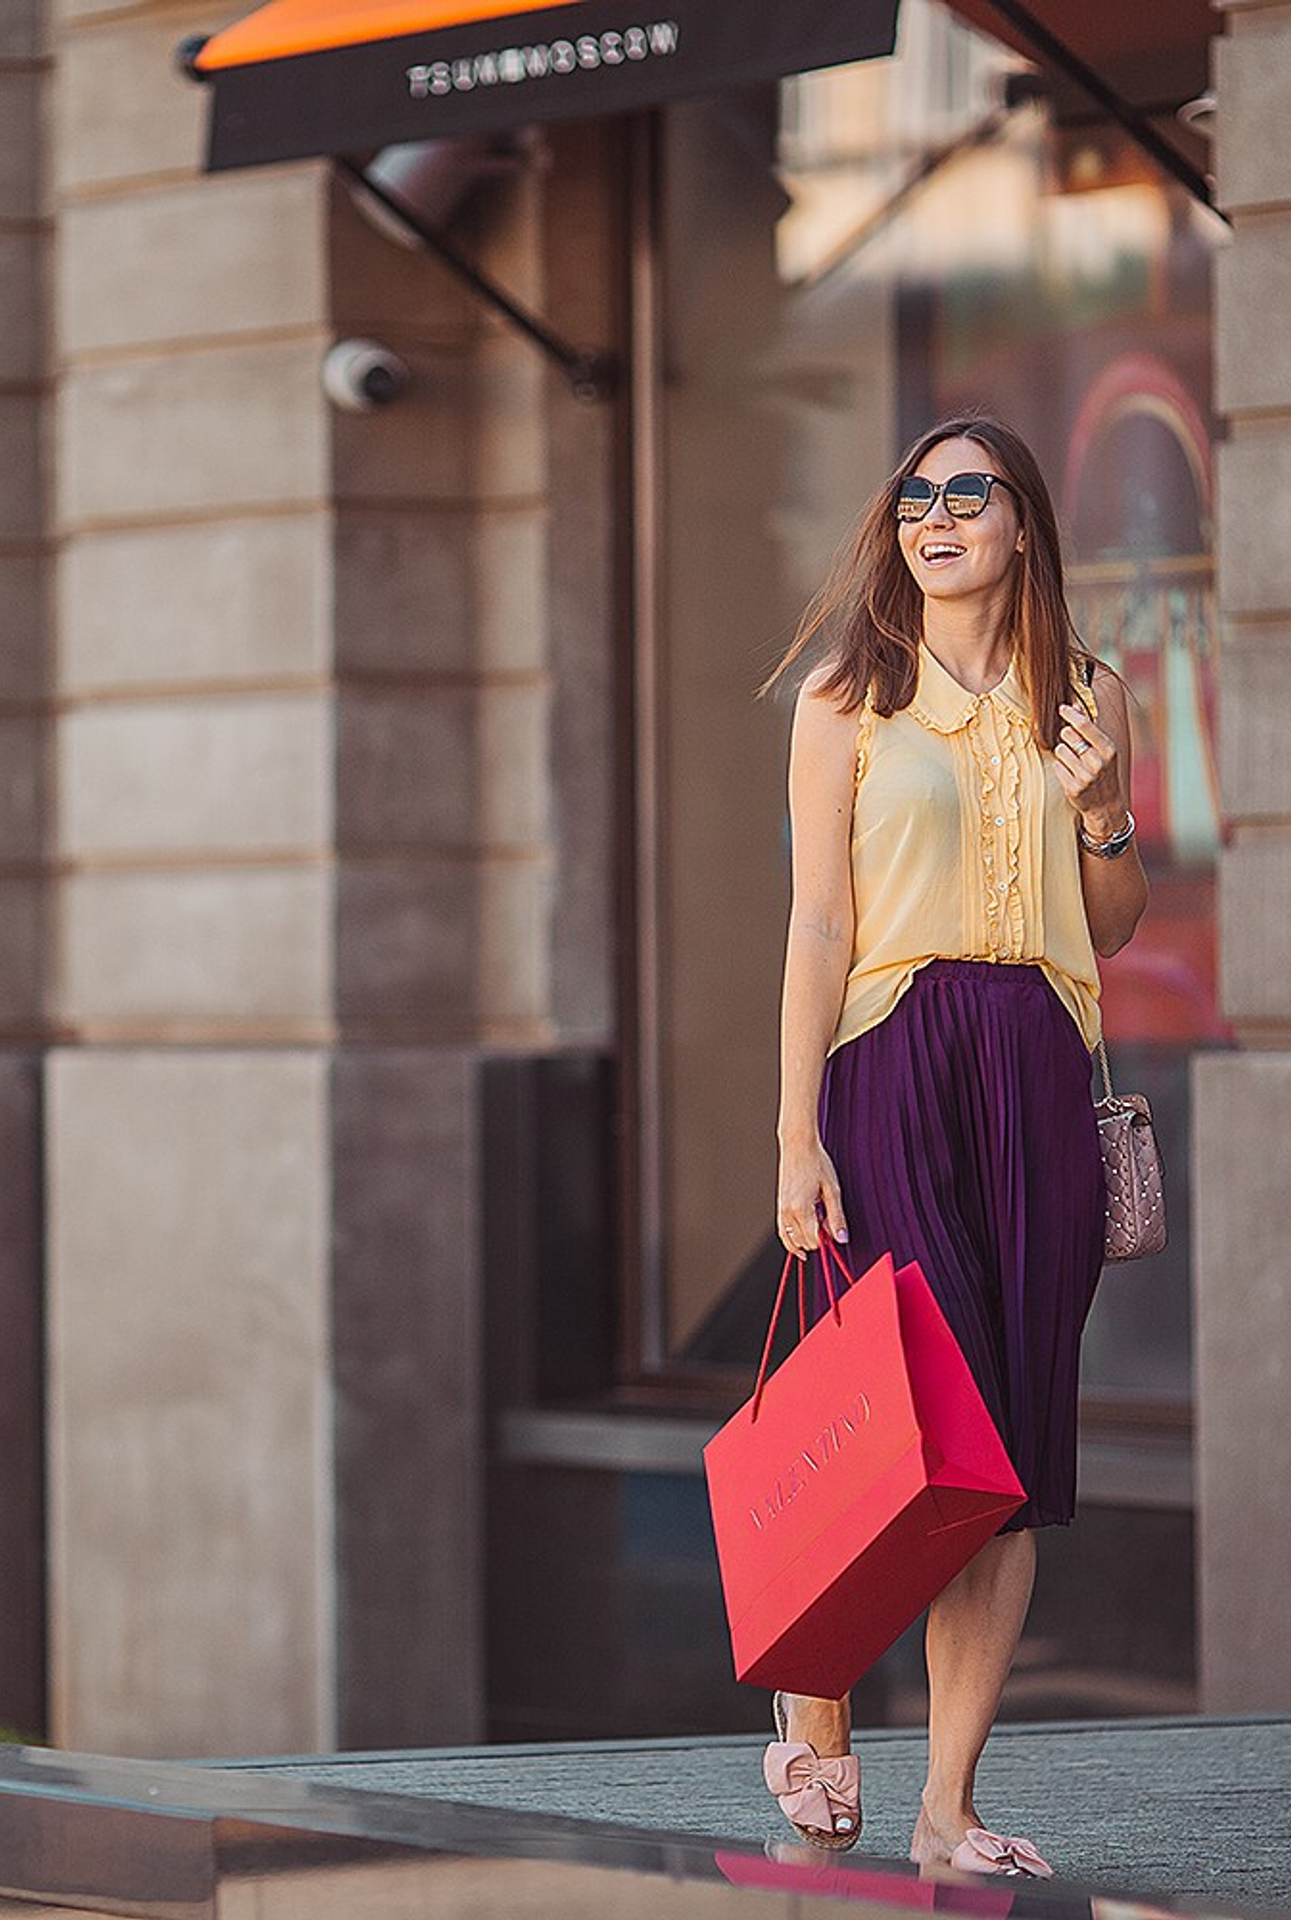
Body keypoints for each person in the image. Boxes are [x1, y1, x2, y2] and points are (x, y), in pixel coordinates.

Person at [763, 416, 1147, 1877]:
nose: (936, 516)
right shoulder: (848, 697)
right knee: (894, 1408)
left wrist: (1107, 810)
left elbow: (1113, 931)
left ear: (1022, 528)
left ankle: (949, 1809)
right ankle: (818, 1710)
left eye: (968, 493)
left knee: (1007, 1444)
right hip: (891, 1061)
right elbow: (816, 923)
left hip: (1038, 1064)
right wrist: (794, 1133)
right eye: (915, 496)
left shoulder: (1090, 696)